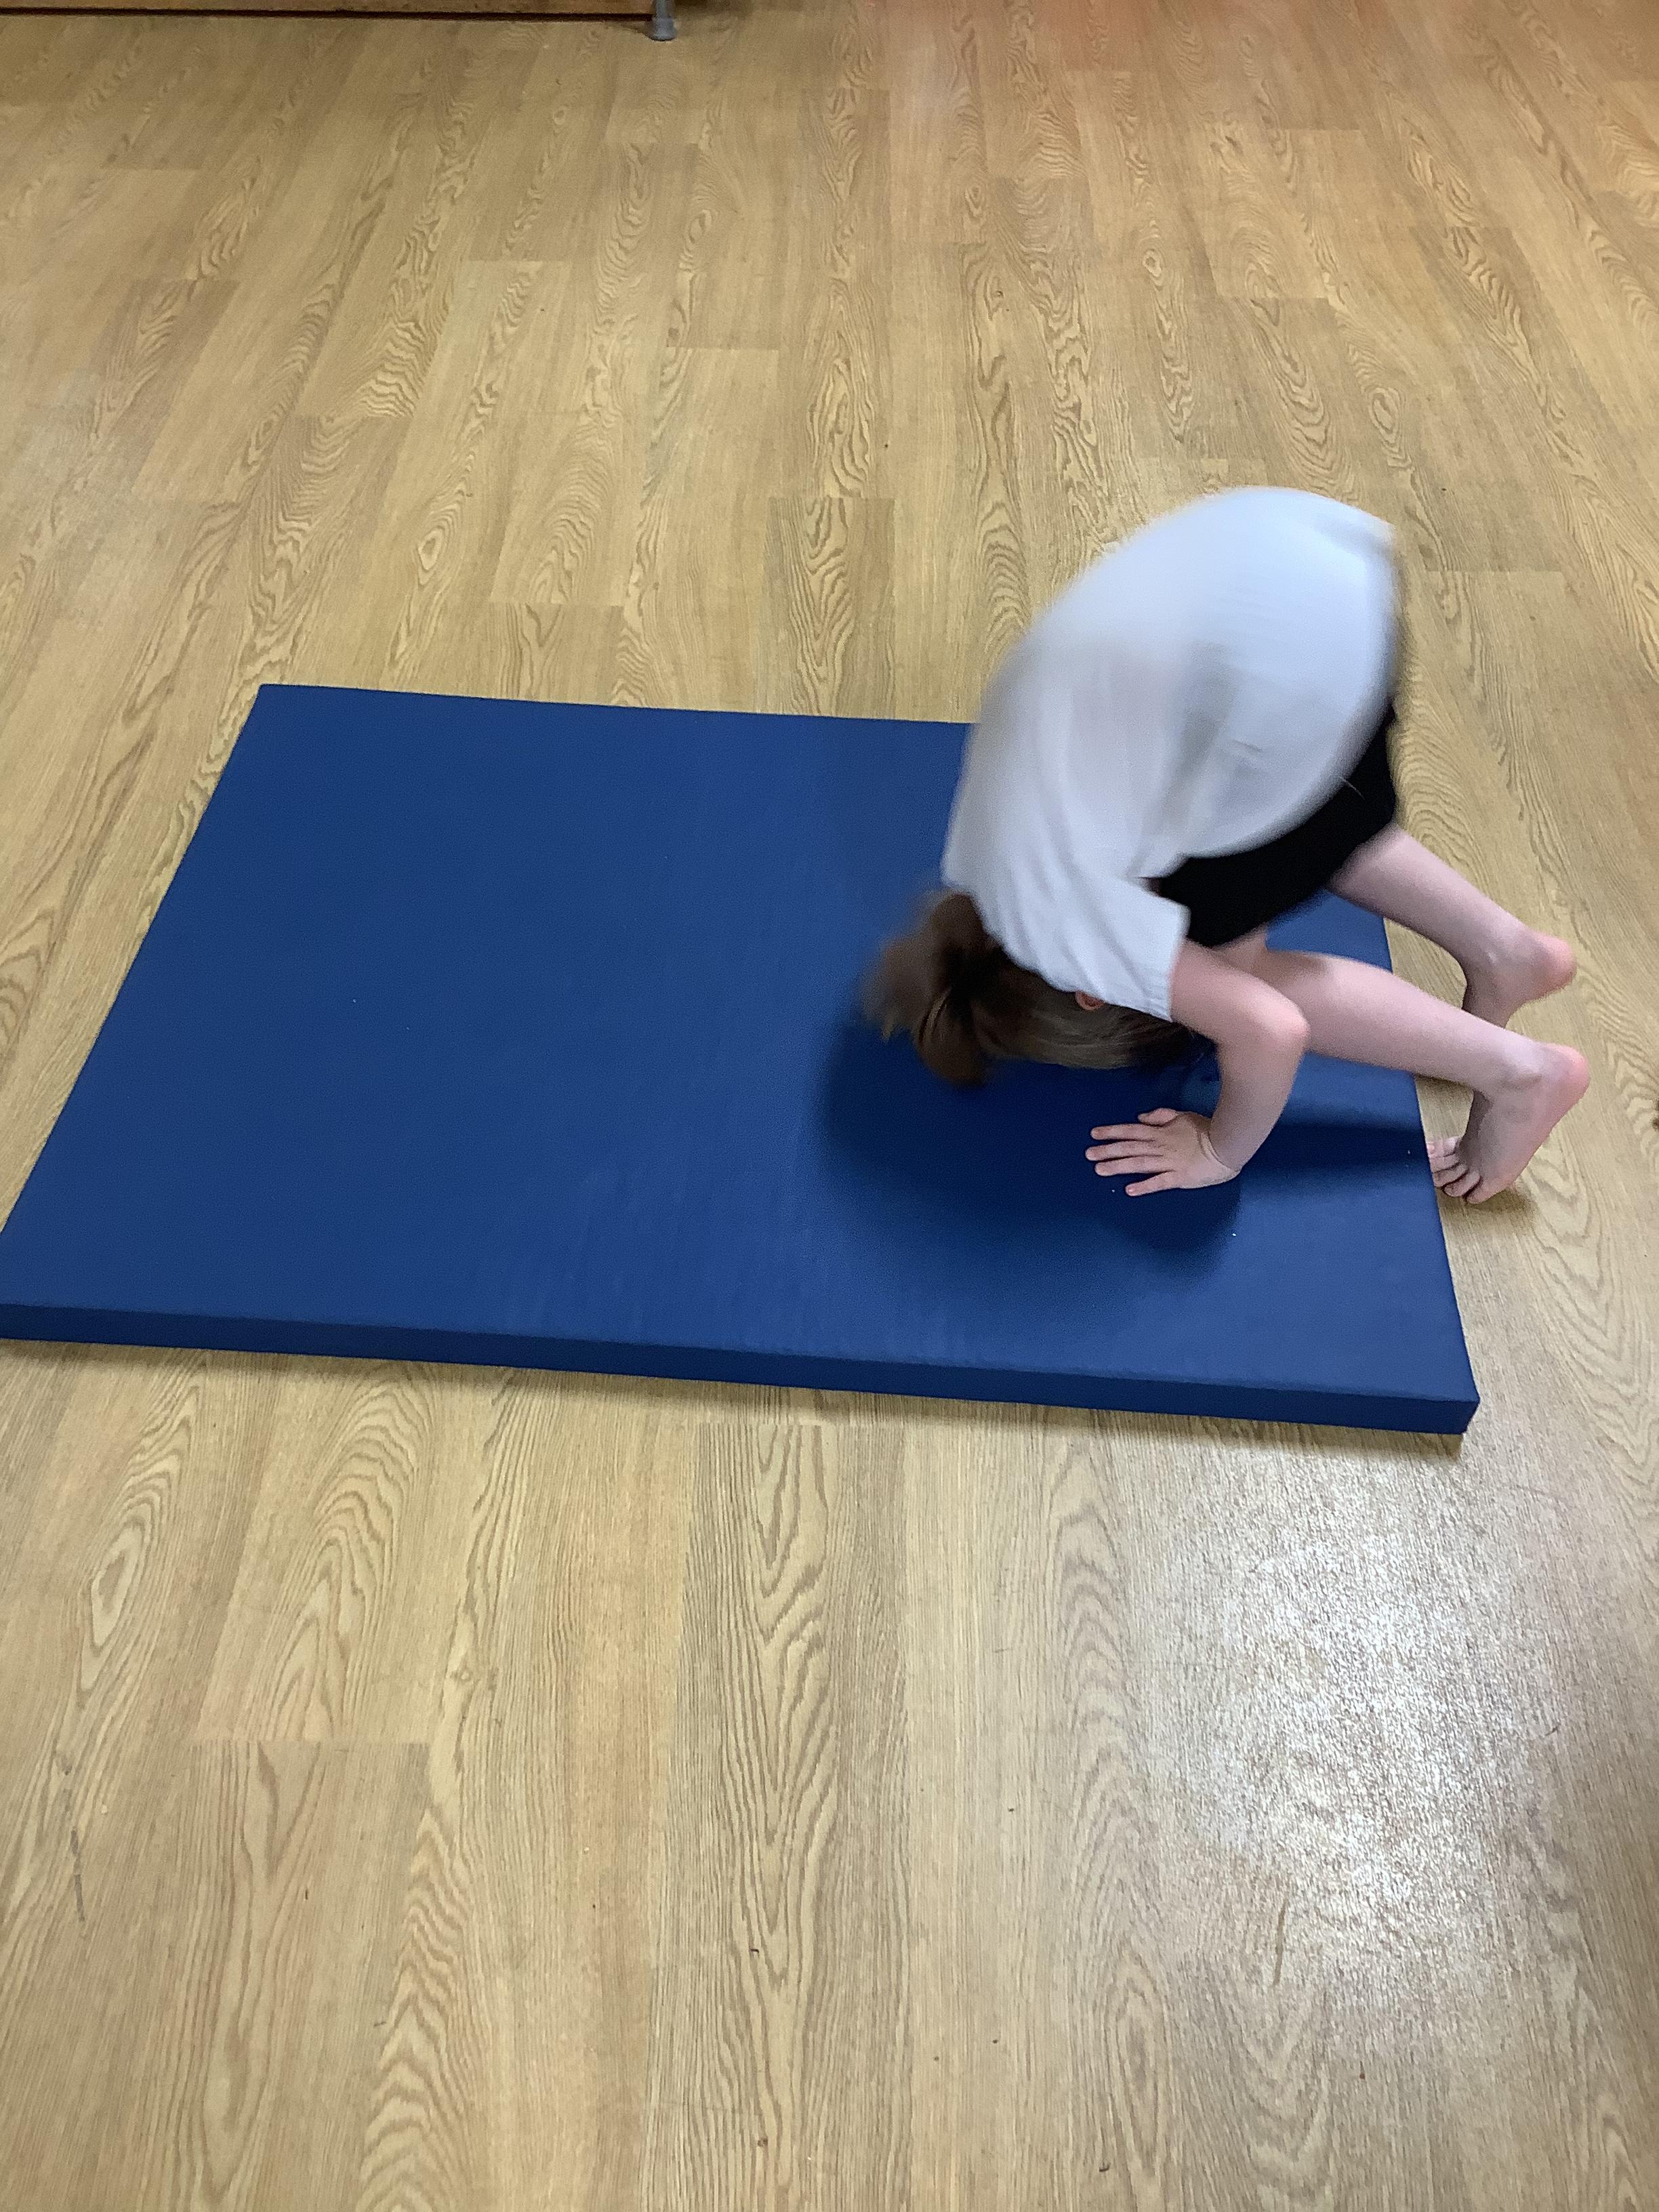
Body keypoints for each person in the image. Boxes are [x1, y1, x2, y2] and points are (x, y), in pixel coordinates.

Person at [867, 488, 1586, 1200]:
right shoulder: (984, 847)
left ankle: (1521, 1074)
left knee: (1235, 963)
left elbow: (1271, 1030)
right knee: (1309, 816)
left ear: (1091, 992)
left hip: (1290, 673)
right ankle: (1507, 951)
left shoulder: (1070, 933)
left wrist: (1219, 1148)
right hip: (1312, 570)